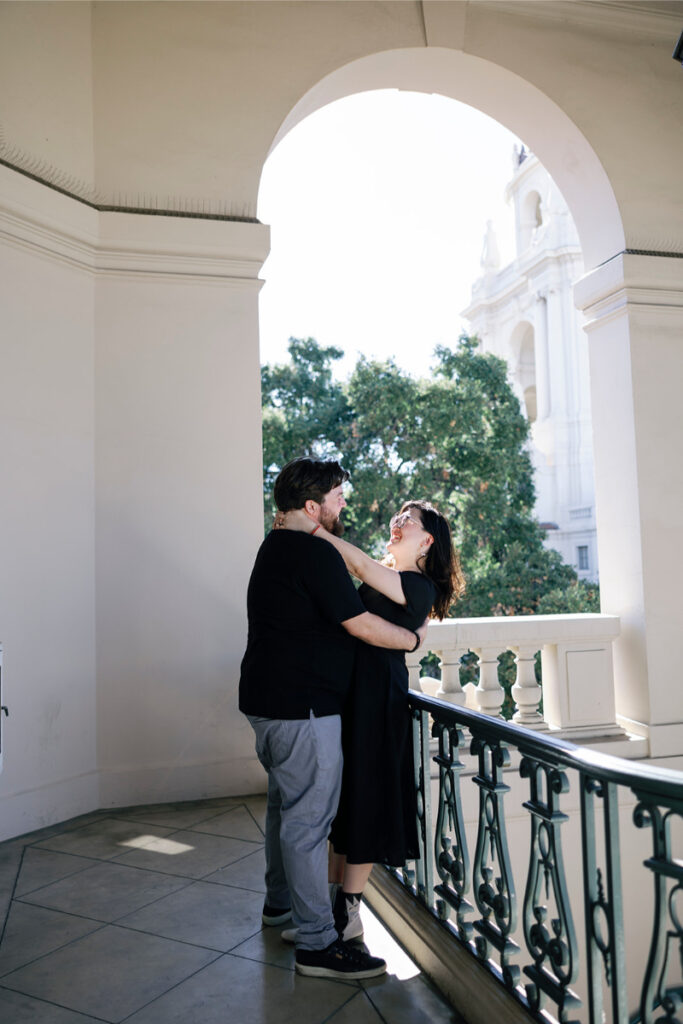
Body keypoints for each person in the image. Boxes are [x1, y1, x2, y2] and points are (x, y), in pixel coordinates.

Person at [238, 458, 428, 980]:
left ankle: (280, 905)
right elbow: (363, 625)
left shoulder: (275, 545)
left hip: (267, 703)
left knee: (284, 810)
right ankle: (319, 945)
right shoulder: (311, 552)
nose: (344, 504)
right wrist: (412, 640)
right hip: (304, 708)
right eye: (338, 497)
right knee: (307, 823)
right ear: (311, 506)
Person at [278, 499, 464, 944]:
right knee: (340, 807)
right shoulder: (394, 581)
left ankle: (349, 910)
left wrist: (314, 530)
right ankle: (324, 913)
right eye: (397, 517)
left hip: (378, 702)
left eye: (409, 520)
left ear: (427, 539)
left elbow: (359, 565)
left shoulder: (417, 585)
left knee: (363, 802)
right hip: (351, 697)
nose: (397, 523)